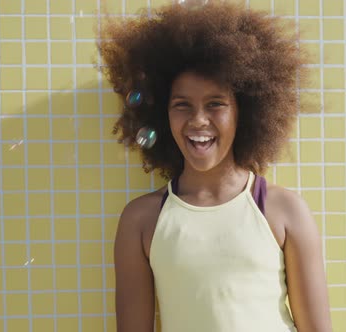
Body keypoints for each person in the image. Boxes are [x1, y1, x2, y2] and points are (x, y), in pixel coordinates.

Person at [97, 1, 332, 331]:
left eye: (215, 104)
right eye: (182, 105)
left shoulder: (284, 210)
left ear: (245, 110)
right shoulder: (141, 221)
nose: (198, 120)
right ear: (162, 114)